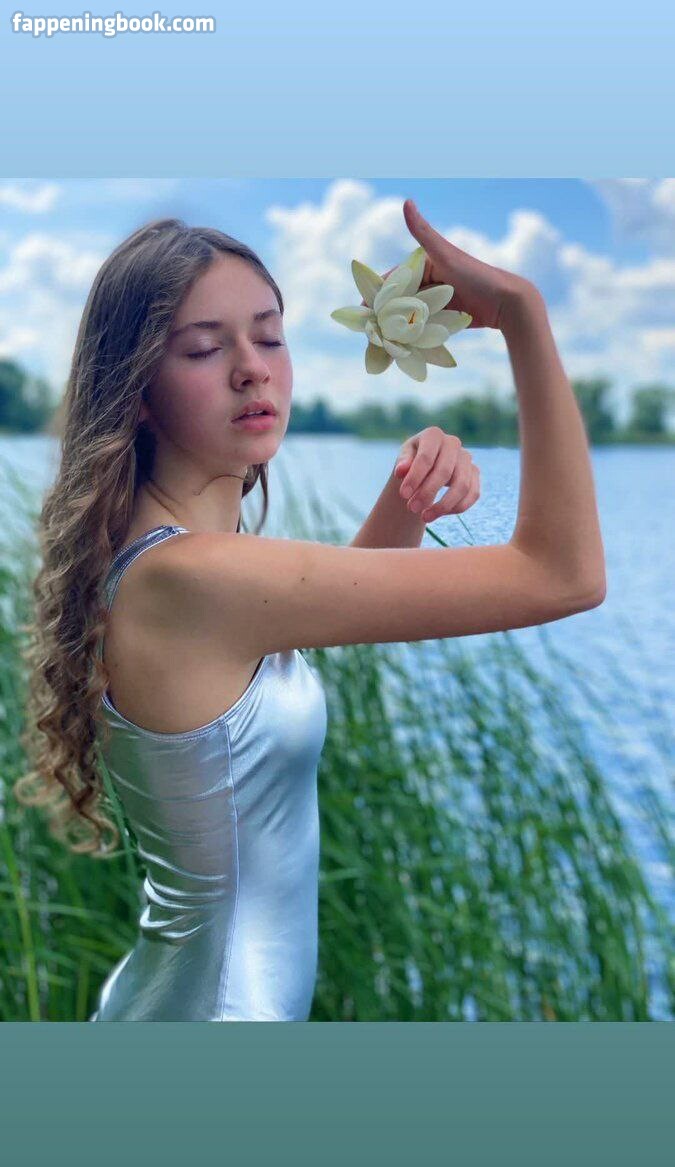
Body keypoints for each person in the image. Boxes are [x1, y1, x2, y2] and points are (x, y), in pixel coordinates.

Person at [15, 199, 606, 1021]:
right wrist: (522, 315)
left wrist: (403, 501)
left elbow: (269, 685)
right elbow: (563, 574)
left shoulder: (175, 566)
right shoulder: (192, 577)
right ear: (137, 390)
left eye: (268, 337)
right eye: (203, 348)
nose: (251, 369)